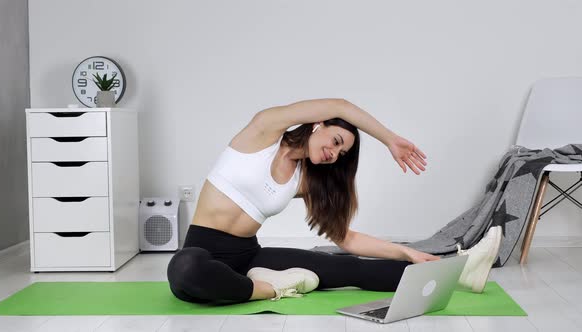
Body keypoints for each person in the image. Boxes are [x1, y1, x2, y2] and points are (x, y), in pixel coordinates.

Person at [167, 98, 501, 303]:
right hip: (203, 250)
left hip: (249, 256)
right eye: (336, 141)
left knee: (346, 267)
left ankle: (459, 272)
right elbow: (341, 105)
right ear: (318, 124)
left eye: (340, 154)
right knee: (185, 269)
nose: (333, 154)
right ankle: (270, 289)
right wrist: (389, 140)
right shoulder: (262, 131)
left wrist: (407, 251)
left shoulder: (305, 180)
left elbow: (347, 238)